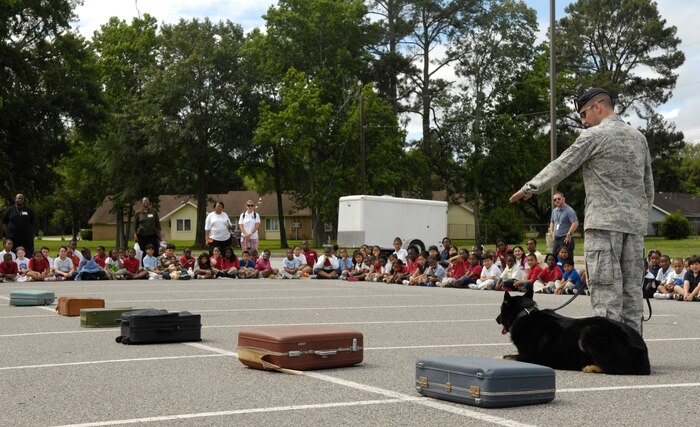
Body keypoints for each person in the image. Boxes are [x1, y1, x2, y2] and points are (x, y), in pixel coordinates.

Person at [510, 87, 654, 335]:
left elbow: (563, 164)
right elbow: (648, 184)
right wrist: (640, 217)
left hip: (603, 226)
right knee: (632, 291)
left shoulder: (594, 136)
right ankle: (634, 351)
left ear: (598, 106)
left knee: (606, 291)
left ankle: (610, 352)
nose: (583, 121)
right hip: (634, 228)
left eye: (584, 114)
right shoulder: (638, 137)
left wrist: (530, 188)